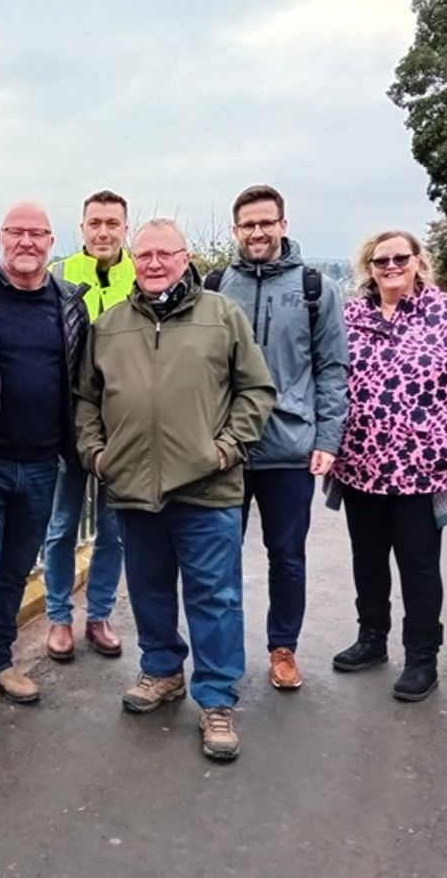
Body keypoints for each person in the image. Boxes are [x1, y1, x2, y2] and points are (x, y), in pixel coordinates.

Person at [76, 218, 275, 761]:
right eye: (144, 255)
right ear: (131, 261)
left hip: (207, 487)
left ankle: (216, 698)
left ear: (186, 259)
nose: (155, 263)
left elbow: (255, 390)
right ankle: (162, 670)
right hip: (133, 487)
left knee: (215, 596)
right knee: (148, 588)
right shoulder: (110, 325)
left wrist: (226, 449)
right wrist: (97, 455)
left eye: (166, 254)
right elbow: (86, 401)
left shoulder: (221, 316)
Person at [328, 230, 447, 701]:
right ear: (369, 268)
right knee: (368, 559)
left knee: (419, 565)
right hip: (361, 465)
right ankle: (372, 638)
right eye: (381, 261)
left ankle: (422, 657)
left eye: (401, 257)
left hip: (423, 470)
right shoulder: (352, 315)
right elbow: (332, 377)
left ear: (418, 261)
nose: (391, 266)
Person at [0, 202, 90, 739]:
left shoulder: (67, 305)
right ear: (0, 238)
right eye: (17, 232)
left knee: (13, 572)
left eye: (37, 234)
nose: (26, 242)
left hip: (41, 463)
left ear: (51, 242)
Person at [210, 185, 349, 690]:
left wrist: (328, 439)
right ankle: (222, 652)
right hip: (226, 450)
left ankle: (282, 648)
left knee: (287, 556)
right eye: (248, 224)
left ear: (283, 225)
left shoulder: (317, 289)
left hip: (290, 448)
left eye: (266, 222)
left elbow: (333, 369)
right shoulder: (215, 285)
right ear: (236, 230)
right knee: (218, 558)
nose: (258, 232)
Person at [41, 190, 132, 662]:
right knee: (61, 527)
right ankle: (59, 617)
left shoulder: (140, 279)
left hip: (123, 429)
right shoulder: (58, 276)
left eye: (112, 223)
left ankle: (98, 614)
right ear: (82, 229)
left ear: (124, 228)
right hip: (68, 424)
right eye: (95, 222)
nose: (103, 231)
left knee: (114, 530)